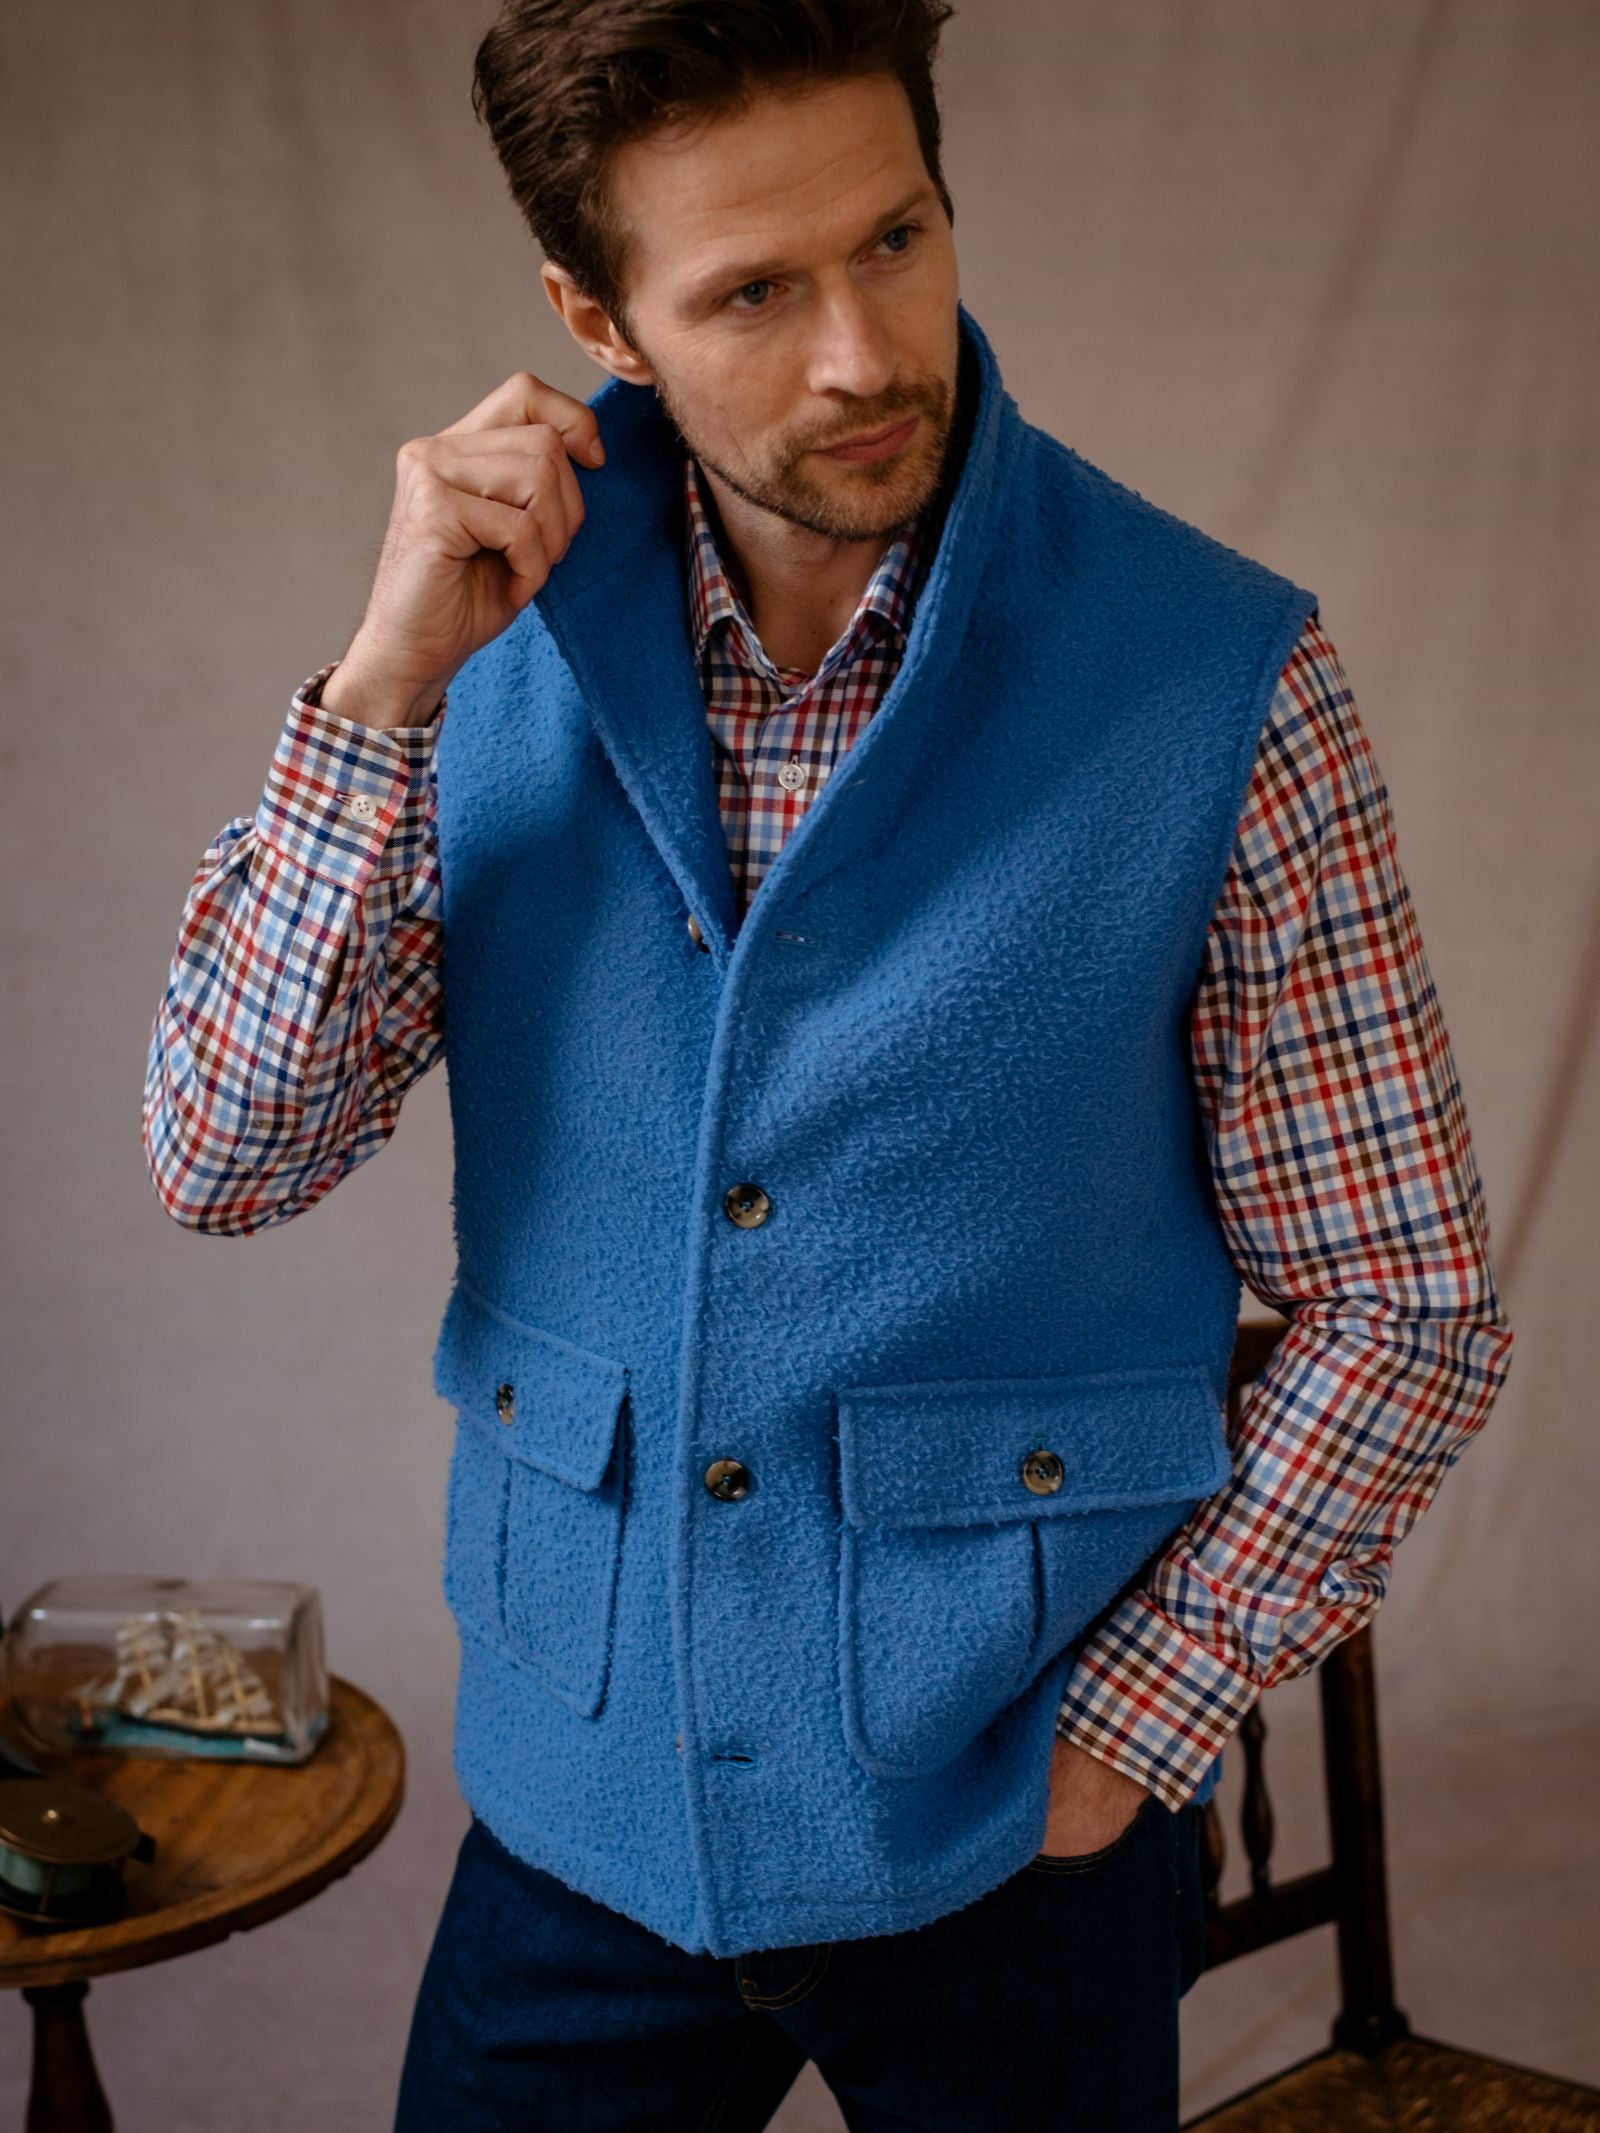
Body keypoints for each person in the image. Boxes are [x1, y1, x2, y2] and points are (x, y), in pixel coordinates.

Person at [142, 2, 1515, 2126]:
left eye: (891, 240)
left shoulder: (1224, 672)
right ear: (591, 311)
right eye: (753, 291)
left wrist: (1118, 1739)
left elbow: (1406, 1298)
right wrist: (380, 686)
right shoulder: (468, 654)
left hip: (1014, 1826)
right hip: (581, 1800)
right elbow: (224, 1151)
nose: (862, 354)